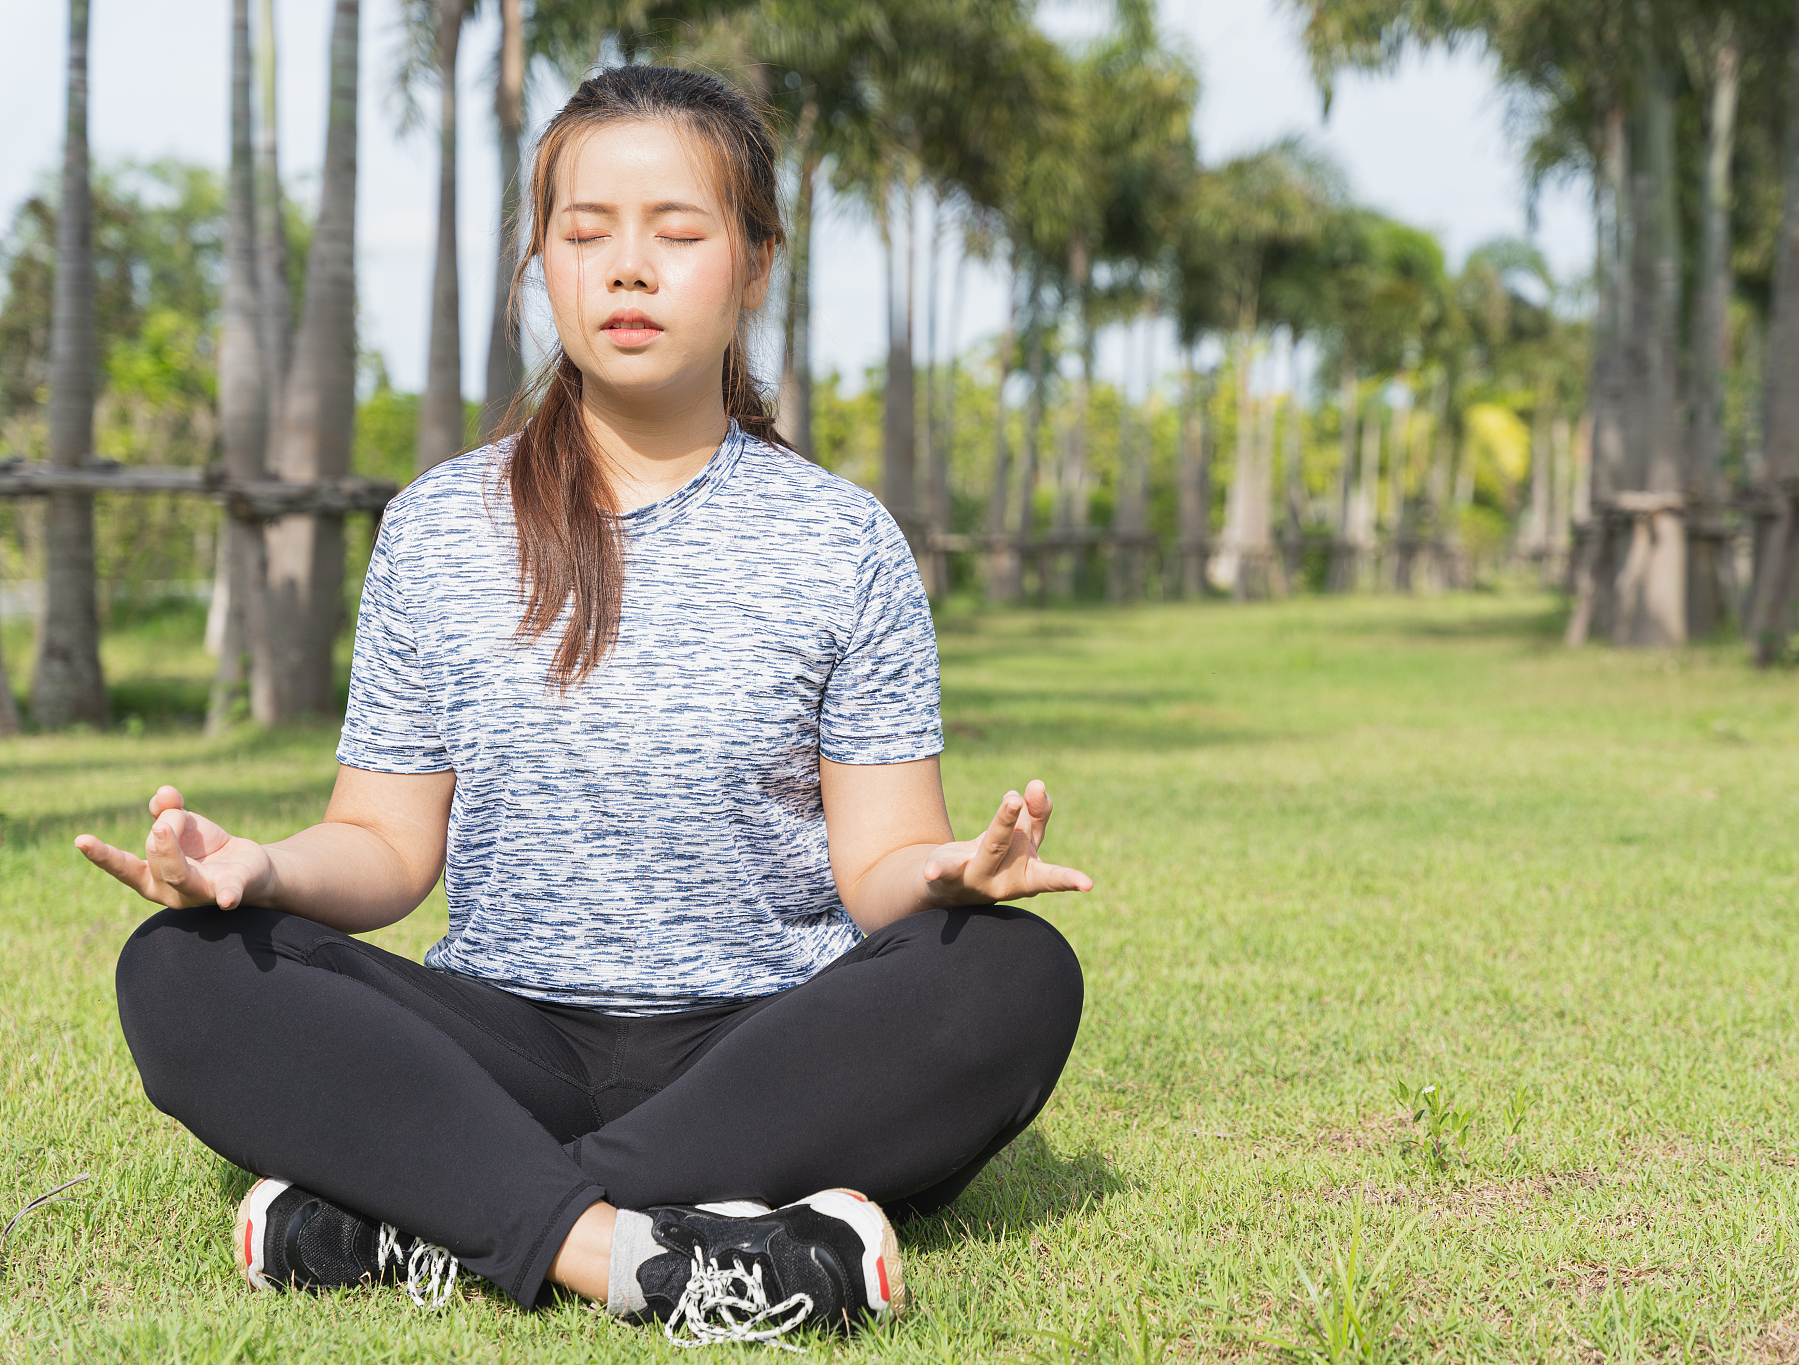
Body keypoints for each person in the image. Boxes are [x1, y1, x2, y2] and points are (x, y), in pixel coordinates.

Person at [76, 65, 1089, 1349]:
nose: (627, 269)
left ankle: (418, 1209)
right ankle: (643, 1248)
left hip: (757, 1050)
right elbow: (386, 848)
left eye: (676, 234)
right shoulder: (439, 528)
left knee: (1010, 974)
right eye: (585, 233)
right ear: (540, 264)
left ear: (755, 266)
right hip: (497, 1035)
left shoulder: (842, 543)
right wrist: (258, 866)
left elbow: (879, 865)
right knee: (181, 971)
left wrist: (949, 872)